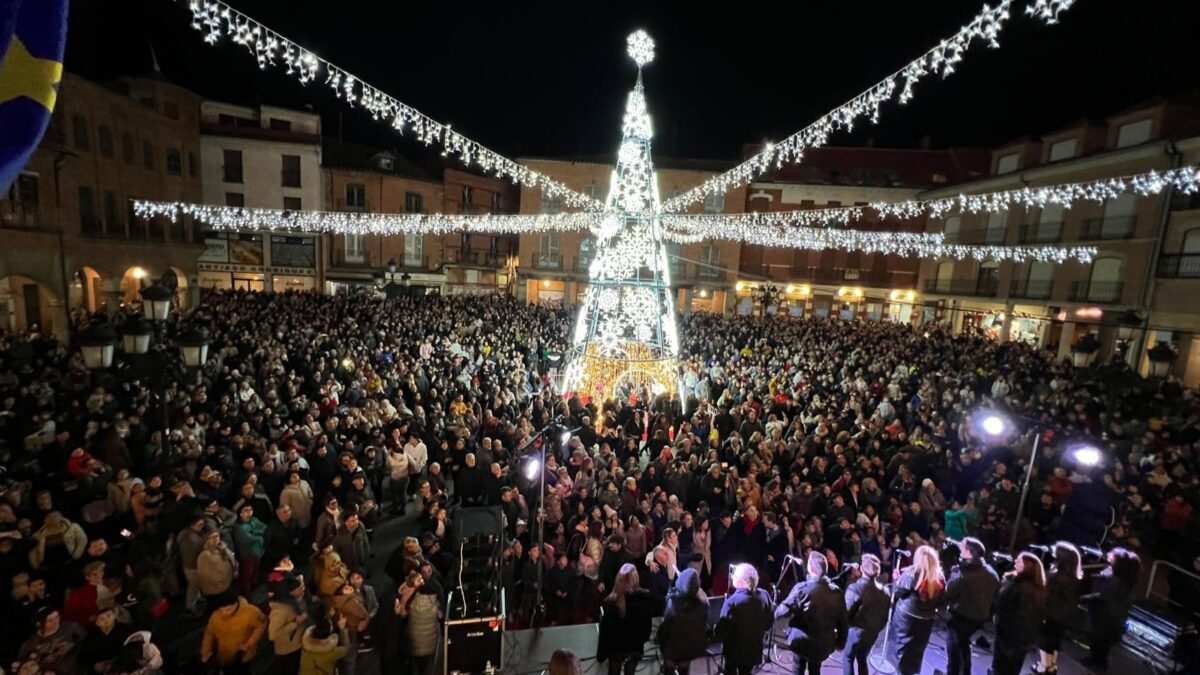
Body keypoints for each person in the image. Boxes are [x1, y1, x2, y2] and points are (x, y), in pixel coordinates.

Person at [776, 551, 848, 675]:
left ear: (811, 568)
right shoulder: (838, 592)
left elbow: (782, 611)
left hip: (801, 641)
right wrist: (840, 642)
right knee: (815, 669)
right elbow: (843, 621)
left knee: (798, 667)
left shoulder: (802, 589)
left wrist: (773, 610)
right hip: (823, 643)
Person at [943, 537, 1000, 675]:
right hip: (979, 619)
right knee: (964, 645)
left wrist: (954, 572)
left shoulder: (964, 572)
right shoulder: (992, 573)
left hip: (961, 617)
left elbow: (949, 590)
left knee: (954, 650)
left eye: (962, 547)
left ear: (969, 553)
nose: (959, 548)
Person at [1082, 547, 1141, 671]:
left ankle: (1098, 664)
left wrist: (1101, 578)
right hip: (1110, 620)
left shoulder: (1115, 581)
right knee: (1101, 644)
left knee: (1099, 643)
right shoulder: (1125, 581)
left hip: (1105, 619)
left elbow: (1101, 593)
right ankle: (1096, 661)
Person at [597, 563, 660, 675]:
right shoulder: (645, 599)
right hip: (635, 649)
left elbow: (605, 634)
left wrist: (601, 656)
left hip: (616, 650)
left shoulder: (611, 603)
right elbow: (647, 630)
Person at [890, 545, 945, 675]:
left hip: (906, 619)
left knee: (902, 651)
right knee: (917, 651)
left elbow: (896, 592)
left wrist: (896, 579)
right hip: (926, 620)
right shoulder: (940, 577)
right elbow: (942, 600)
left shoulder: (911, 573)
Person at [992, 551, 1047, 675]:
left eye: (1019, 560)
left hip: (1010, 636)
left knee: (1002, 668)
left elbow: (1005, 606)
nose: (1015, 561)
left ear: (1027, 566)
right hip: (1022, 639)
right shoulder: (1038, 589)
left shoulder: (1018, 587)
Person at [716, 563, 775, 675]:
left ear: (742, 581)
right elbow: (769, 622)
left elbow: (722, 630)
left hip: (733, 652)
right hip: (754, 649)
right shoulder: (765, 595)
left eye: (735, 576)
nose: (732, 577)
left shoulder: (732, 602)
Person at [1037, 542, 1082, 675]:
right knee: (1055, 641)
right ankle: (1051, 666)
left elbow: (1048, 596)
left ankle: (1044, 666)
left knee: (1045, 641)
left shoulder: (1057, 577)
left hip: (1051, 614)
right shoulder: (1074, 577)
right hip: (1064, 616)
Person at [842, 554, 890, 675]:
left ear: (861, 569)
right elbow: (885, 618)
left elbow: (845, 615)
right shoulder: (885, 592)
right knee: (862, 659)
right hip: (872, 633)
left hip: (856, 632)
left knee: (848, 658)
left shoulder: (855, 588)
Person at [658, 568, 709, 675]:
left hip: (673, 648)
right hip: (692, 648)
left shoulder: (673, 601)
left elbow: (666, 626)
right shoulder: (703, 603)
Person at [200, 593, 267, 675]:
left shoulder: (251, 612)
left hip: (242, 656)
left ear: (236, 603)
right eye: (221, 609)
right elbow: (209, 633)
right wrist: (206, 651)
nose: (224, 612)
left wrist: (250, 643)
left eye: (228, 609)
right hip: (223, 656)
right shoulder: (216, 615)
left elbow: (261, 625)